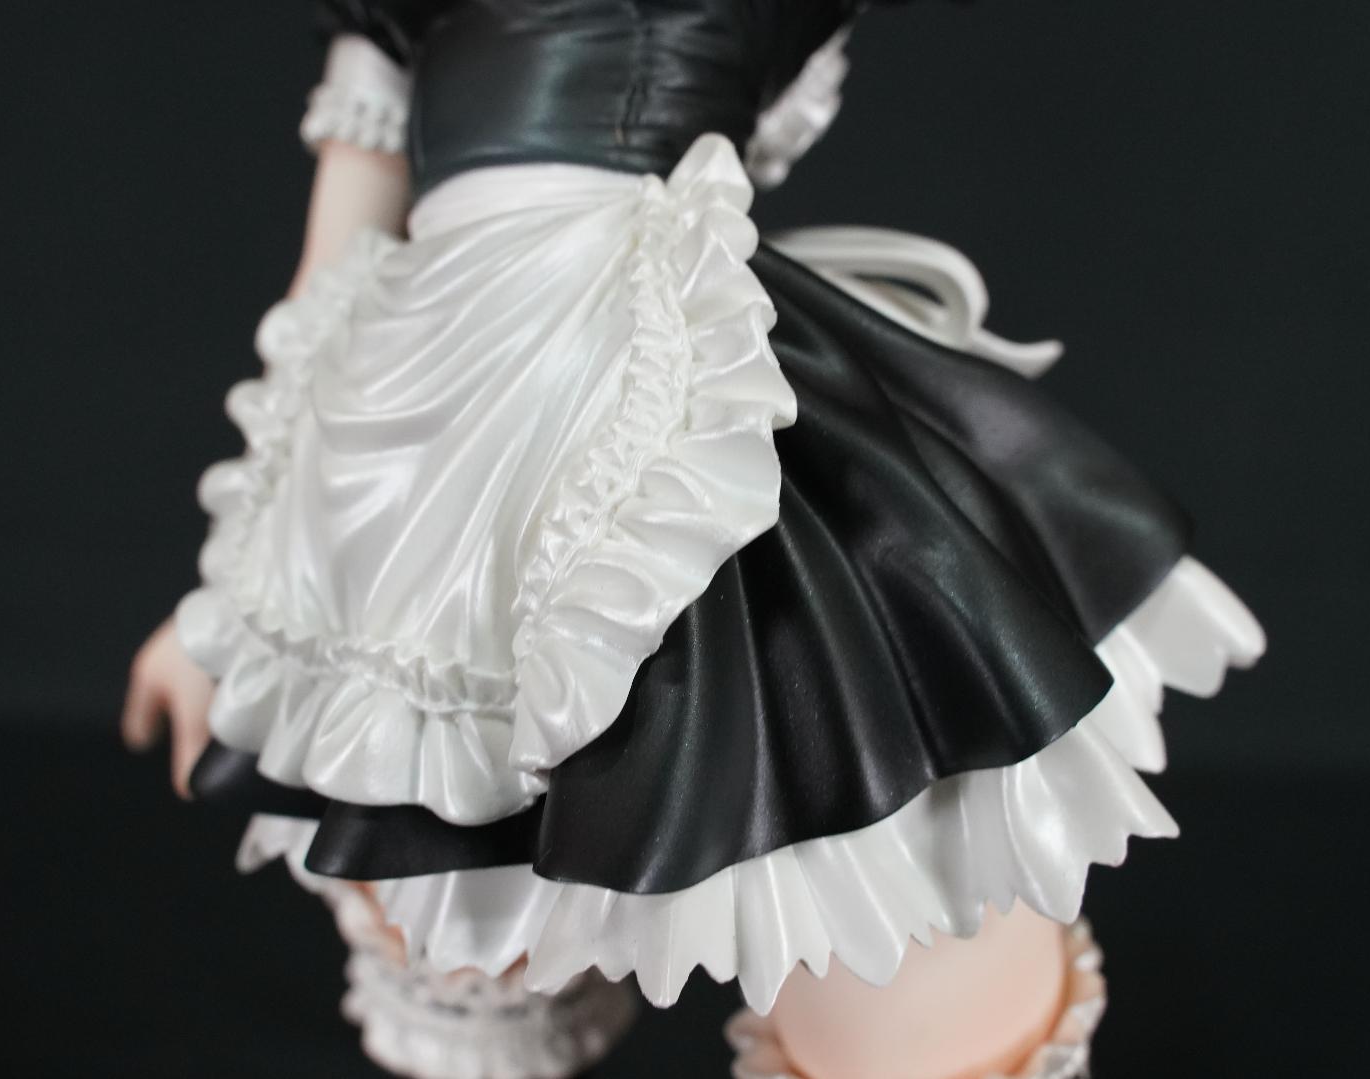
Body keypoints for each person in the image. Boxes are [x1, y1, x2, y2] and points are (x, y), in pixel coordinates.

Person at [123, 4, 1264, 1076]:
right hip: (405, 446)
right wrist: (222, 596)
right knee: (457, 910)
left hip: (657, 386)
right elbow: (328, 281)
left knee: (884, 882)